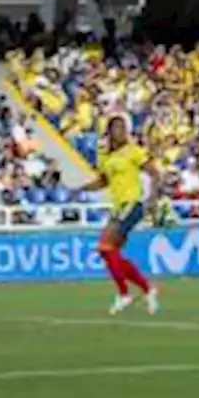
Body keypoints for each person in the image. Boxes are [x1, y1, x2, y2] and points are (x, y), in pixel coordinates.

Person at [76, 115, 161, 315]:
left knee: (105, 245)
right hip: (118, 206)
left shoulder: (134, 151)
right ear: (110, 131)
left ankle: (125, 294)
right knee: (110, 252)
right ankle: (148, 290)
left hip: (132, 203)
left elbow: (155, 173)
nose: (122, 132)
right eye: (117, 128)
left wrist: (153, 198)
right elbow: (104, 181)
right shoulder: (105, 155)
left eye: (124, 128)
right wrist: (82, 187)